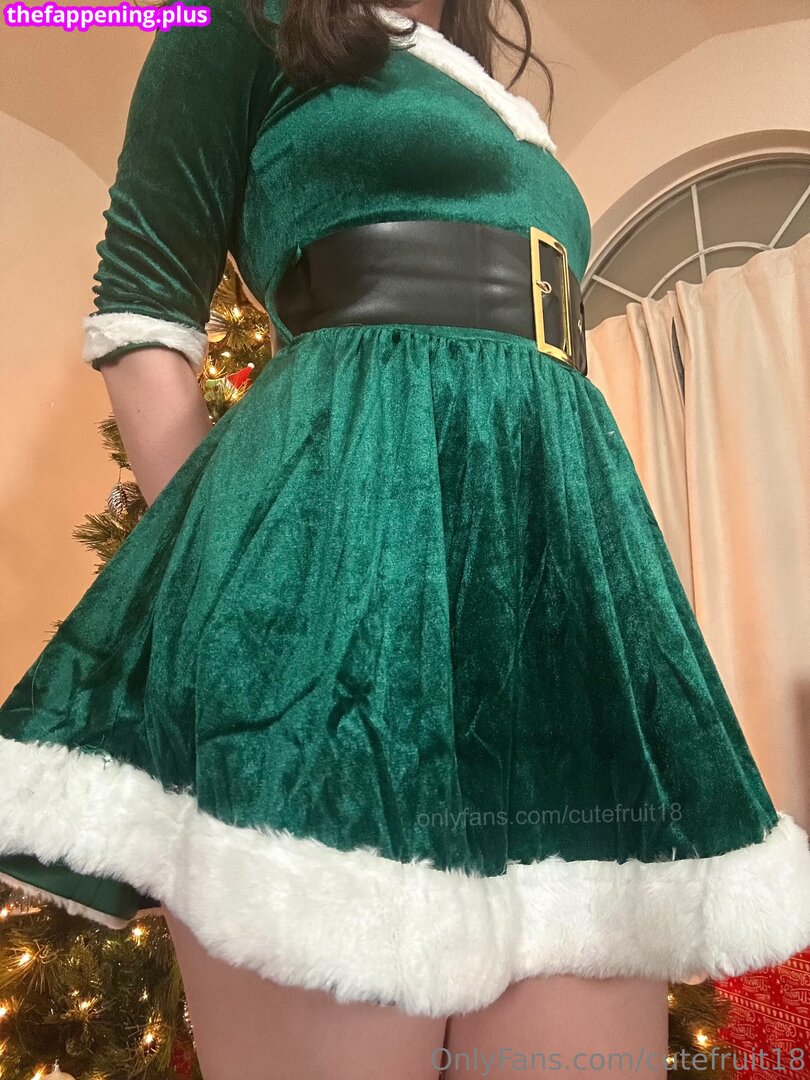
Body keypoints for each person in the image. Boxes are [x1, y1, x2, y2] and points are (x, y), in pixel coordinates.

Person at [1, 0, 809, 1076]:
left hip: (545, 608)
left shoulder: (494, 98)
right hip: (334, 604)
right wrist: (241, 582)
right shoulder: (240, 22)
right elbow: (142, 308)